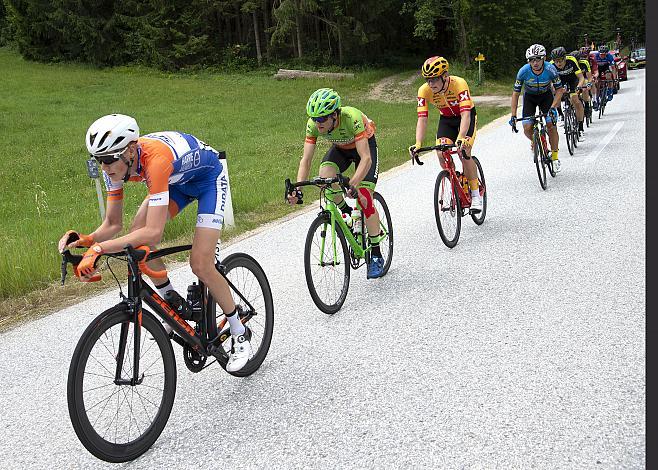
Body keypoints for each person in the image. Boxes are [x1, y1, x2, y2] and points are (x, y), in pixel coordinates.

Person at [57, 114, 251, 372]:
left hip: (208, 181)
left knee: (201, 263)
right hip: (177, 182)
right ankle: (170, 298)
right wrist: (88, 240)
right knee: (135, 237)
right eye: (98, 160)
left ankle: (239, 332)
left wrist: (100, 248)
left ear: (129, 150)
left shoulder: (154, 161)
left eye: (108, 160)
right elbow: (113, 224)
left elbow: (153, 233)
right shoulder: (115, 166)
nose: (104, 167)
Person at [287, 88, 386, 279]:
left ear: (334, 115)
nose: (318, 123)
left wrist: (354, 183)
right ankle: (346, 212)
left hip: (364, 149)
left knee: (364, 197)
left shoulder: (352, 117)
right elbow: (306, 160)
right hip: (341, 149)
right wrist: (297, 188)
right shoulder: (313, 125)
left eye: (322, 119)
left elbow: (366, 159)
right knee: (325, 175)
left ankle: (375, 253)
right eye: (315, 118)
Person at [409, 56, 483, 212]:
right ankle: (454, 186)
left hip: (466, 117)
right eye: (428, 80)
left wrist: (462, 138)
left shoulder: (459, 84)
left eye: (434, 79)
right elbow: (422, 119)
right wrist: (418, 143)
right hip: (447, 120)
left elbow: (465, 115)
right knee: (440, 152)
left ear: (444, 76)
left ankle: (476, 194)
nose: (430, 84)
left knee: (464, 152)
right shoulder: (424, 90)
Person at [509, 44, 565, 172]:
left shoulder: (550, 69)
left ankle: (555, 157)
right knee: (527, 128)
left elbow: (559, 90)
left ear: (544, 58)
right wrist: (513, 114)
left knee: (551, 125)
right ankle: (536, 139)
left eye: (538, 59)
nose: (534, 63)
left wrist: (553, 107)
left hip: (546, 97)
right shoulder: (523, 71)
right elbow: (515, 93)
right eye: (531, 60)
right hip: (530, 98)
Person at [550, 46, 586, 138]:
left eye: (560, 60)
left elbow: (581, 78)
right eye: (556, 61)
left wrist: (578, 87)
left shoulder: (572, 60)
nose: (558, 63)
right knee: (555, 95)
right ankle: (561, 115)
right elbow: (550, 82)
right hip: (559, 81)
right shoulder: (551, 65)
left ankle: (580, 127)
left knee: (575, 100)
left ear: (565, 58)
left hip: (572, 80)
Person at [592, 45, 618, 109]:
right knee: (597, 83)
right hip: (598, 68)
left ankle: (610, 92)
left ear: (607, 53)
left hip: (606, 67)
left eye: (604, 54)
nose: (602, 55)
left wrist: (614, 78)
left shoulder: (609, 56)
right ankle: (597, 98)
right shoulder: (596, 56)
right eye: (601, 54)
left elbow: (613, 68)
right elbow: (593, 68)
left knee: (609, 77)